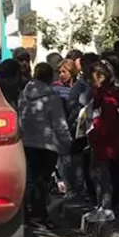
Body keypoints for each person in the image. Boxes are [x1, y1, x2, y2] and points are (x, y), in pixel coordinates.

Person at [19, 62, 73, 227]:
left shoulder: (23, 95)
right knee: (41, 181)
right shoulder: (52, 98)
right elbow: (59, 124)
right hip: (46, 145)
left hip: (26, 144)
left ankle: (26, 215)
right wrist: (67, 144)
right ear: (50, 77)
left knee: (28, 181)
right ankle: (39, 214)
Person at [87, 62, 119, 217]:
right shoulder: (100, 95)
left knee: (102, 175)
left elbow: (107, 122)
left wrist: (94, 134)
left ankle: (105, 206)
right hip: (101, 140)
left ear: (101, 76)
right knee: (96, 173)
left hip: (106, 142)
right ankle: (100, 205)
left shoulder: (108, 98)